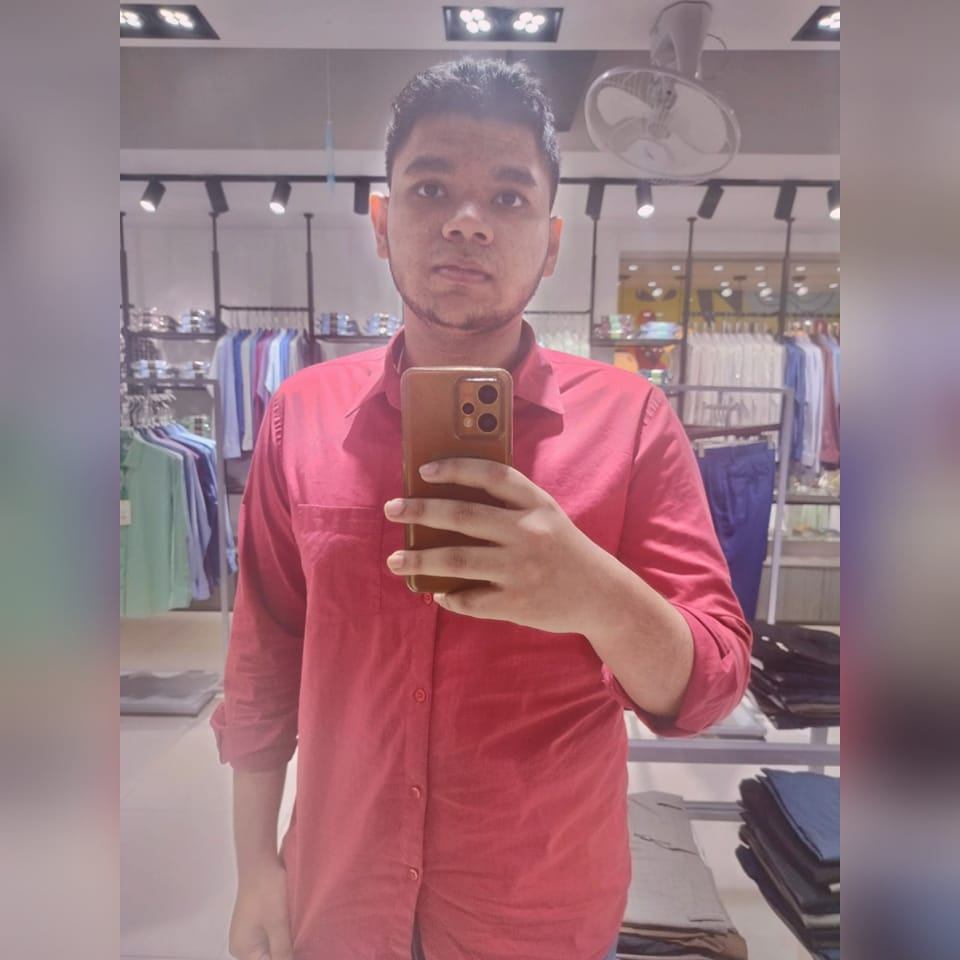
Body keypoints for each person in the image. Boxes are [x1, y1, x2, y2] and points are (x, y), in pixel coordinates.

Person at [211, 58, 751, 960]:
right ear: (382, 222)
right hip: (337, 897)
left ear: (551, 240)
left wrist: (593, 593)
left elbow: (710, 688)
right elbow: (266, 654)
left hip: (538, 912)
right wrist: (255, 867)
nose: (467, 220)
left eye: (508, 197)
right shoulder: (299, 416)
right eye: (431, 188)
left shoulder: (632, 423)